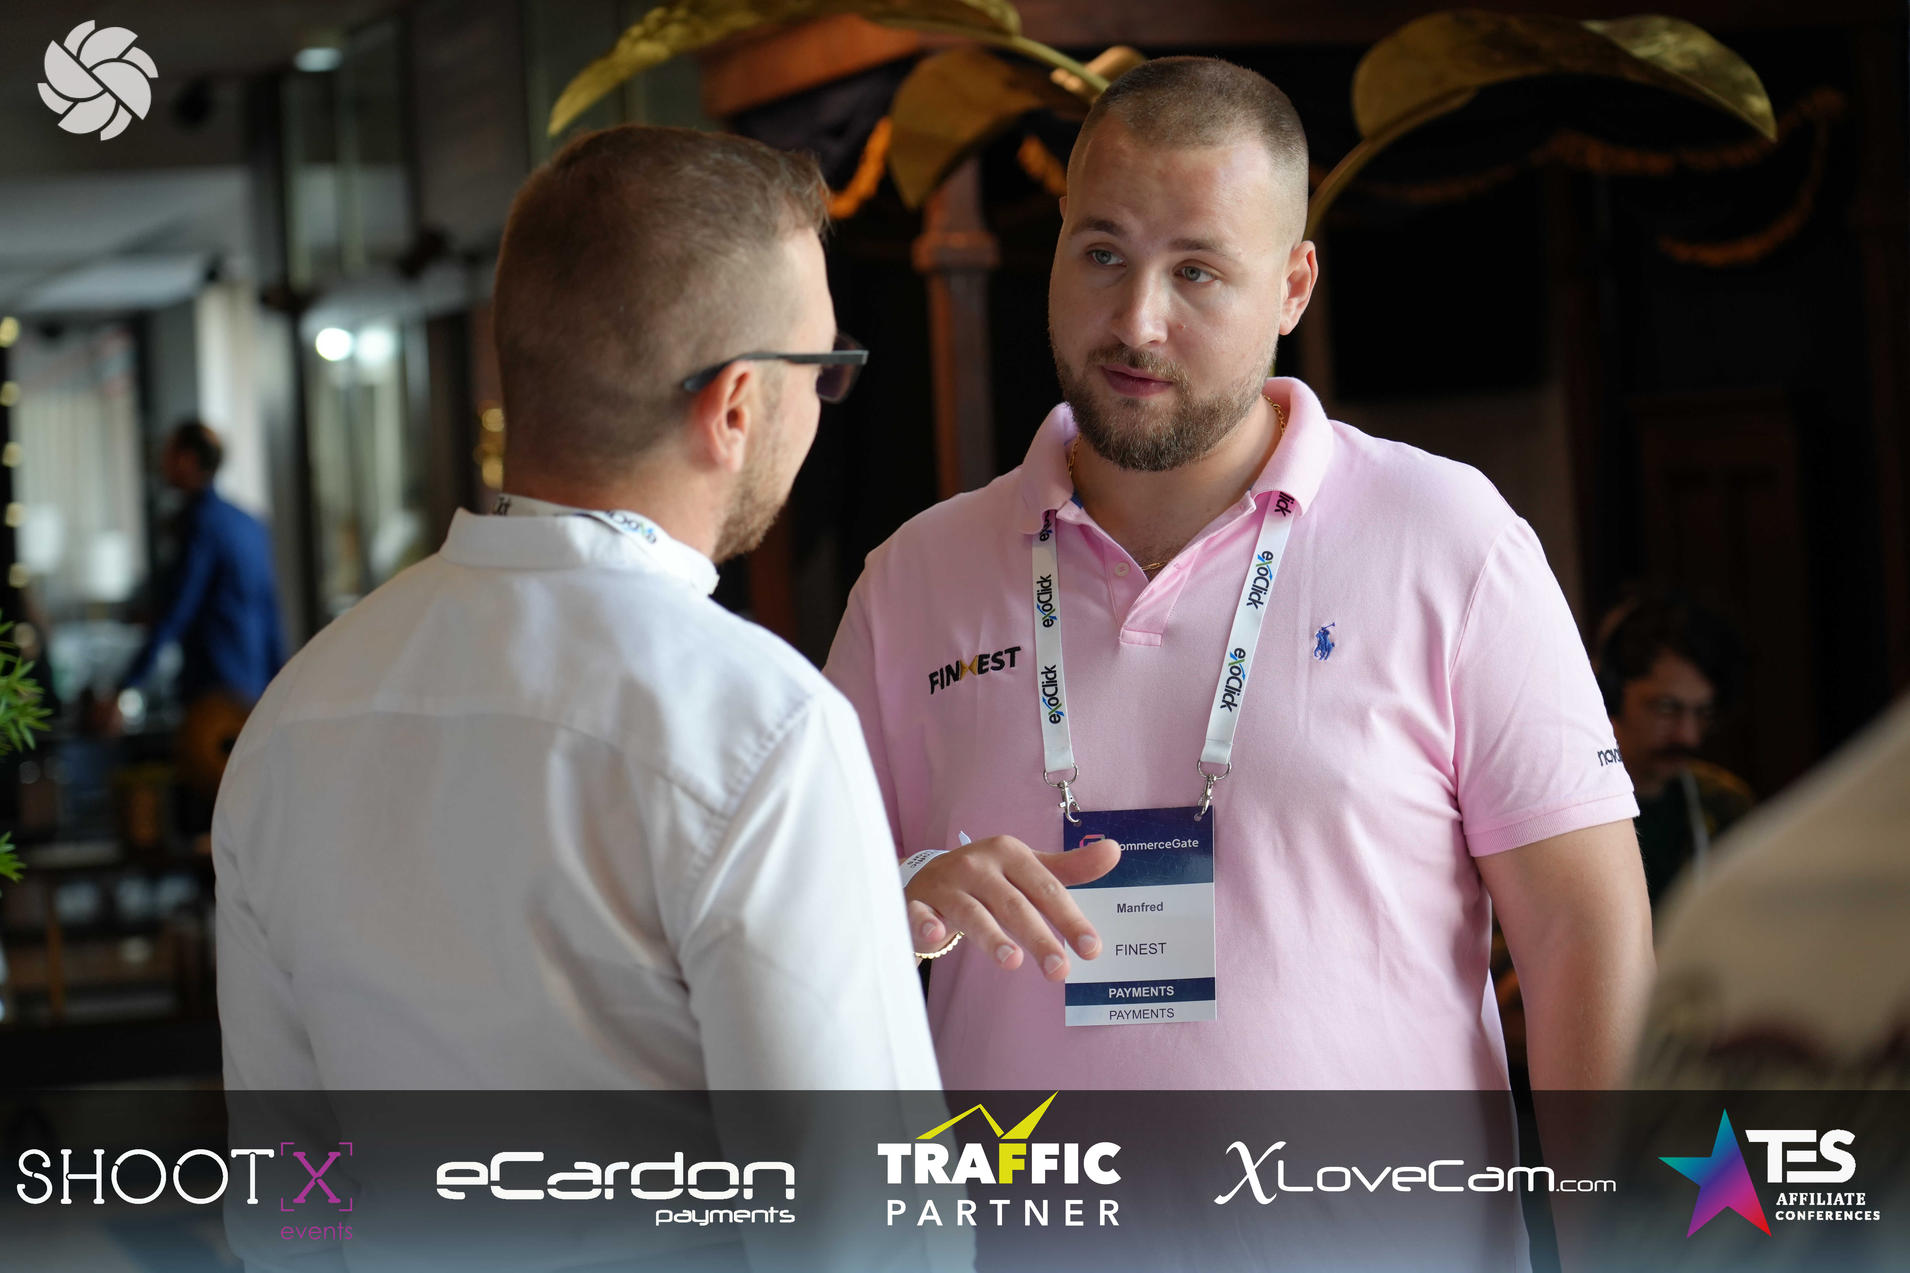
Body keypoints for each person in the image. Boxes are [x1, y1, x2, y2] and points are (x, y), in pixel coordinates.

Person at [825, 58, 1655, 1091]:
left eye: (1196, 271)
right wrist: (900, 897)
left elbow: (1585, 934)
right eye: (1101, 254)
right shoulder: (913, 578)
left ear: (1292, 287)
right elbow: (790, 931)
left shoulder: (1449, 540)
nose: (1136, 320)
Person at [214, 125, 939, 1090]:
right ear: (734, 407)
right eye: (822, 369)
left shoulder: (293, 716)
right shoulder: (765, 727)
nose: (820, 402)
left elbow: (288, 1175)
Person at [110, 420, 287, 715]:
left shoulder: (200, 524)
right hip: (256, 686)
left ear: (188, 459)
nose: (162, 464)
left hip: (214, 693)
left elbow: (178, 609)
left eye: (168, 454)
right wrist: (281, 686)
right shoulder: (251, 523)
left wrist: (127, 685)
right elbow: (270, 612)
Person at [1597, 593, 1754, 908]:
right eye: (1666, 708)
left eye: (1703, 713)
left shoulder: (1726, 803)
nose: (1688, 736)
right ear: (1610, 694)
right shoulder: (1567, 807)